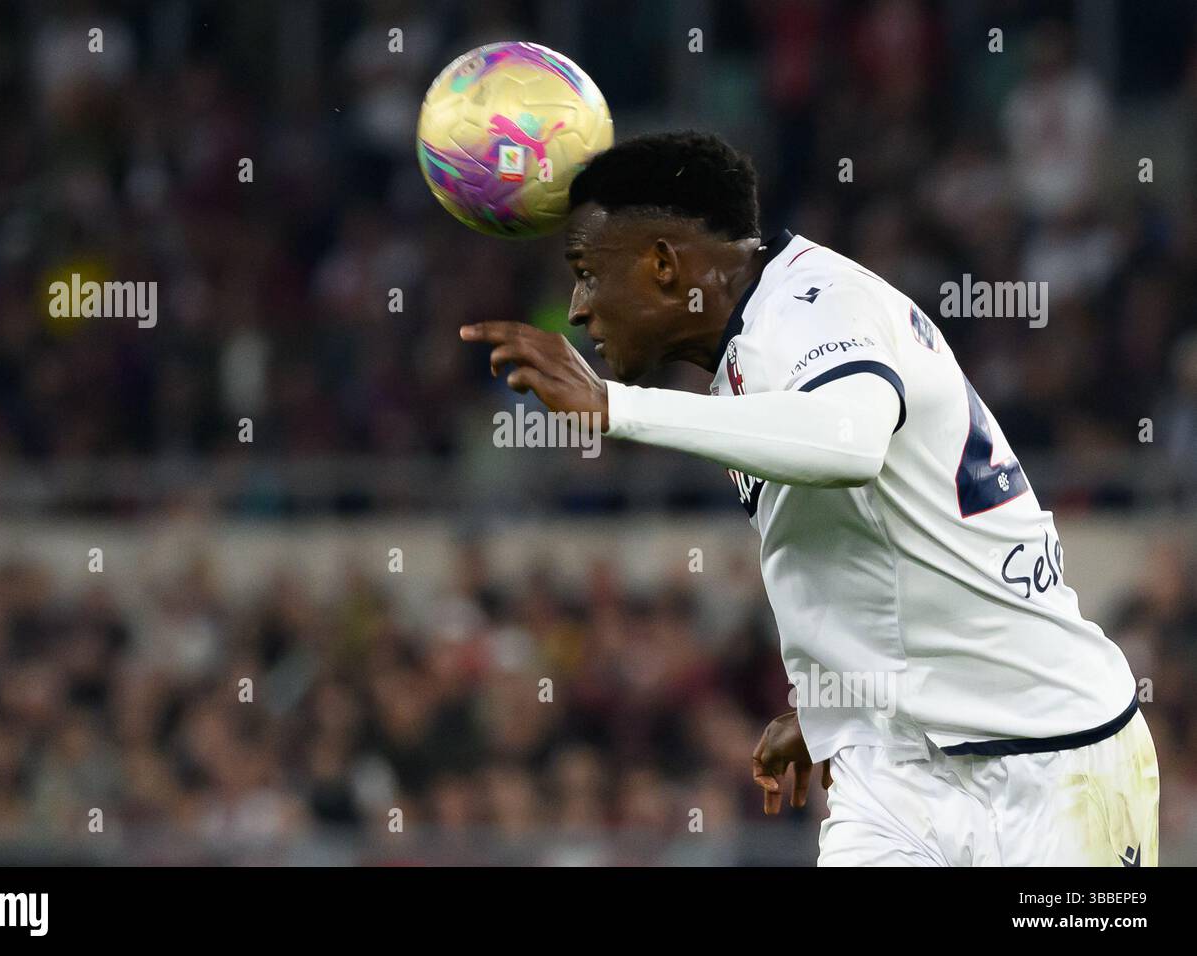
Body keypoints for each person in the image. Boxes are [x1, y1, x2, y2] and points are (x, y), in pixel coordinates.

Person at [459, 131, 1158, 866]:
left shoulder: (814, 312)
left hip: (1052, 762)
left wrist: (616, 407)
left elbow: (850, 445)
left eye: (585, 273)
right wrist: (838, 699)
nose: (574, 309)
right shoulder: (746, 338)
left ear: (663, 265)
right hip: (892, 775)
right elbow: (864, 537)